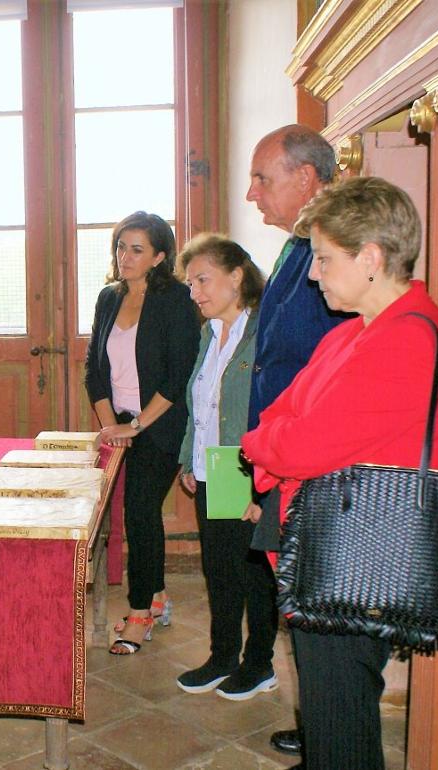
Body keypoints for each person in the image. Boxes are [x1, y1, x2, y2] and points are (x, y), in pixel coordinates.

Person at [242, 177, 438, 769]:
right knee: (329, 701)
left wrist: (263, 447)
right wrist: (271, 442)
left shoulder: (407, 339)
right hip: (327, 542)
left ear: (370, 258)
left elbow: (302, 441)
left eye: (323, 258)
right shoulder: (355, 331)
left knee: (341, 715)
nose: (313, 275)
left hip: (355, 555)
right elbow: (281, 413)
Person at [245, 124, 349, 729]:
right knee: (300, 609)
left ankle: (327, 733)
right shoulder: (296, 246)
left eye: (263, 179)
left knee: (314, 611)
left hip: (309, 463)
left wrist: (277, 459)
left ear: (306, 179)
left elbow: (319, 362)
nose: (253, 194)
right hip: (281, 457)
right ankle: (319, 728)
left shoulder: (332, 248)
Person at [84, 211, 199, 655]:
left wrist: (134, 425)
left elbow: (177, 377)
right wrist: (110, 424)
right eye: (120, 246)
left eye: (136, 249)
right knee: (133, 514)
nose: (125, 256)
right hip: (120, 423)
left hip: (162, 424)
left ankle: (138, 614)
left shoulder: (176, 300)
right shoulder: (108, 297)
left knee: (139, 510)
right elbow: (94, 367)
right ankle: (158, 597)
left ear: (159, 256)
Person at [173, 235, 279, 700]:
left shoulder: (263, 331)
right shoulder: (208, 333)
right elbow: (198, 402)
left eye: (202, 279)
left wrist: (263, 484)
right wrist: (188, 459)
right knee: (219, 567)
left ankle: (258, 664)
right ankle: (221, 656)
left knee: (254, 570)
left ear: (236, 276)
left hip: (247, 466)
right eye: (189, 282)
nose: (194, 291)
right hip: (213, 464)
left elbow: (270, 406)